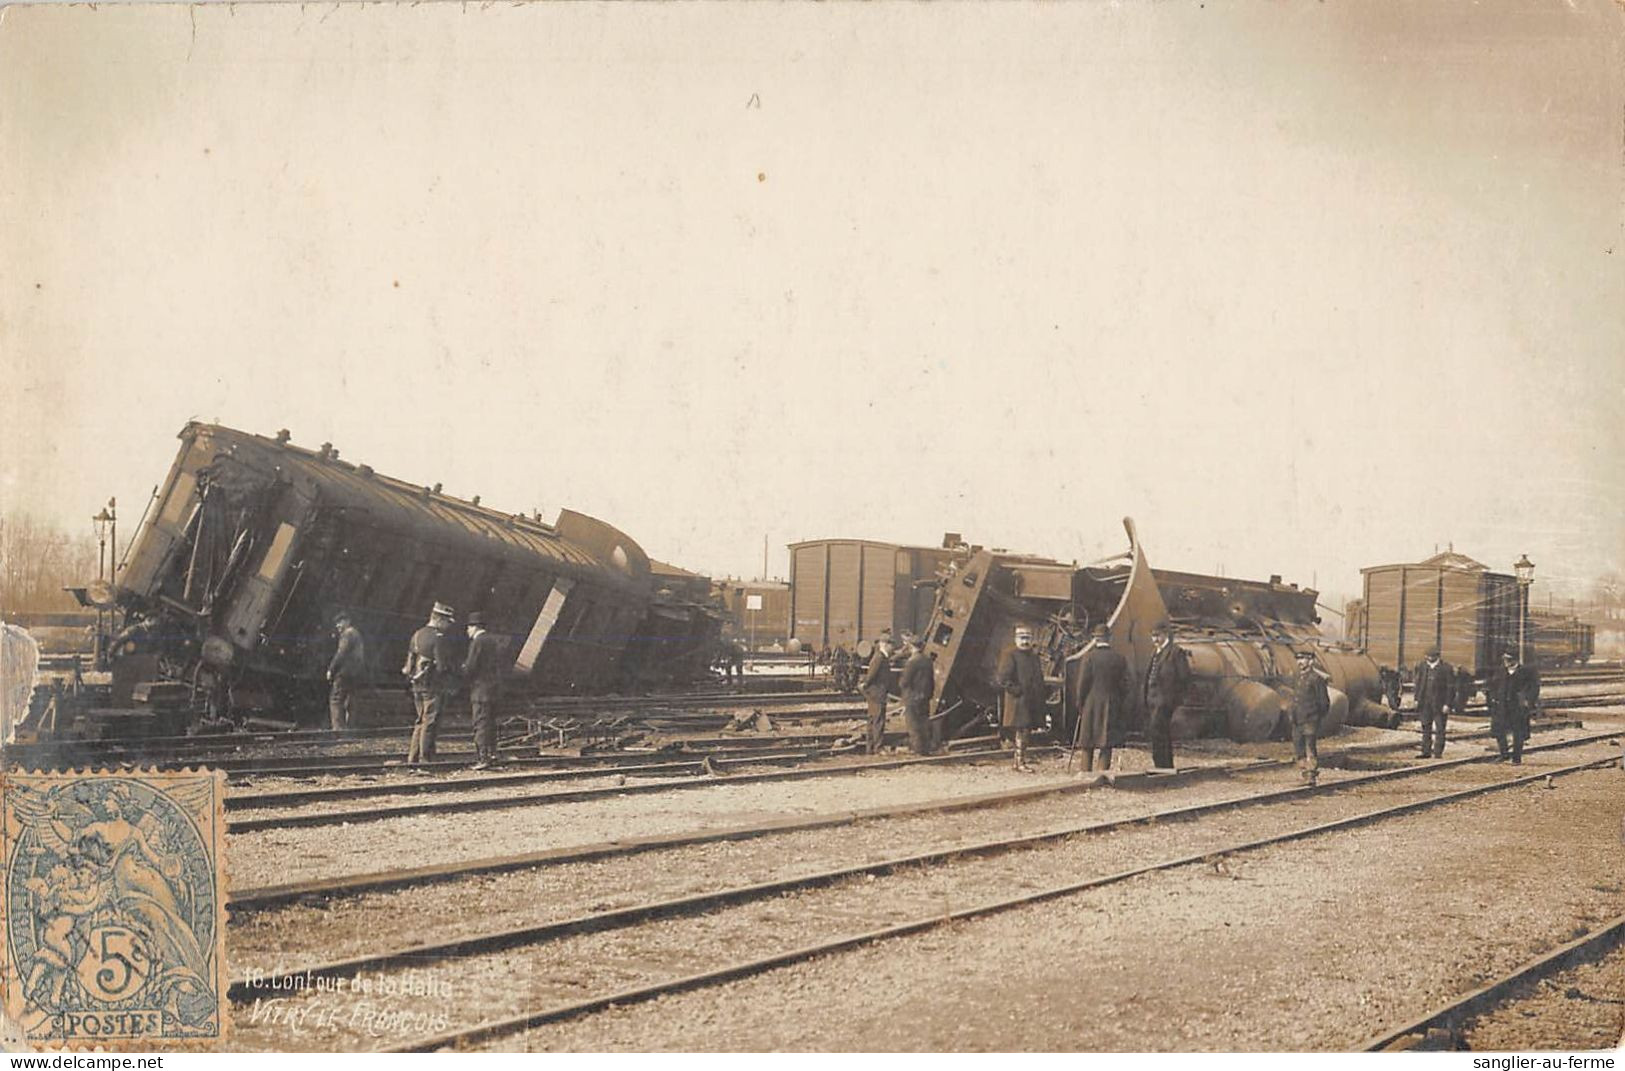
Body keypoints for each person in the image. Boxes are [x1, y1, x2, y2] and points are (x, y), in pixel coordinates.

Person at [402, 601, 457, 768]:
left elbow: (409, 662)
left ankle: (413, 758)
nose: (447, 626)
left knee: (420, 720)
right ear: (440, 619)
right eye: (447, 622)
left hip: (416, 685)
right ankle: (425, 760)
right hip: (433, 686)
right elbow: (442, 666)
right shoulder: (438, 637)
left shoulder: (417, 634)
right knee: (430, 721)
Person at [1071, 624, 1129, 774]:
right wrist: (1118, 700)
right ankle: (1102, 773)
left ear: (1095, 639)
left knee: (1087, 741)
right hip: (1111, 703)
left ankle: (1085, 772)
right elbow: (1126, 684)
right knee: (1106, 742)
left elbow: (1082, 684)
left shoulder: (1089, 658)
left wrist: (1080, 703)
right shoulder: (1119, 658)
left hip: (1091, 703)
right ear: (1110, 638)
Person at [996, 626, 1047, 772]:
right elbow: (1002, 678)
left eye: (1028, 638)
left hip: (1031, 700)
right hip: (1018, 701)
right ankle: (1020, 763)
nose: (1025, 641)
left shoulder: (1033, 656)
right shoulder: (1010, 655)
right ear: (1016, 638)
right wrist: (1015, 690)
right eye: (1022, 638)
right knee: (1022, 731)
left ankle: (1018, 762)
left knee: (1026, 731)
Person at [1143, 622, 1192, 770]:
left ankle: (1164, 765)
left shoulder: (1175, 653)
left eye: (1157, 636)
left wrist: (1173, 699)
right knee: (1156, 733)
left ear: (1166, 635)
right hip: (1152, 699)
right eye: (1153, 636)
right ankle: (1160, 765)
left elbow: (1185, 677)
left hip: (1165, 701)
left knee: (1160, 732)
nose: (1155, 639)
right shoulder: (1155, 653)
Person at [461, 611, 504, 769]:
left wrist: (462, 671)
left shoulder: (477, 641)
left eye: (468, 627)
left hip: (480, 690)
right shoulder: (493, 641)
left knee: (480, 723)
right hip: (494, 689)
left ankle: (482, 758)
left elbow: (471, 666)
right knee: (491, 723)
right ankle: (492, 754)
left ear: (473, 627)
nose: (467, 631)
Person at [1489, 648, 1540, 764]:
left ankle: (1516, 757)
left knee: (1518, 732)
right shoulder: (1500, 671)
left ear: (1515, 660)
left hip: (1518, 707)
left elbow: (1534, 688)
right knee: (1499, 731)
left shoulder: (1525, 672)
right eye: (1505, 659)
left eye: (1509, 660)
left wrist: (1529, 701)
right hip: (1501, 706)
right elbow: (1492, 686)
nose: (1506, 662)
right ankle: (1504, 754)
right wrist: (1492, 698)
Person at [1288, 648, 1331, 786]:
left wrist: (1316, 717)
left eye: (1303, 659)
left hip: (1310, 719)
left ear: (1311, 661)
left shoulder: (1316, 679)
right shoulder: (1297, 677)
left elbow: (1324, 702)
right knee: (1298, 748)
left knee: (1309, 747)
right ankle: (1304, 772)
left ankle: (1311, 775)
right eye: (1298, 659)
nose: (1300, 662)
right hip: (1297, 719)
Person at [326, 612, 366, 731]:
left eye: (340, 622)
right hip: (355, 672)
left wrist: (331, 669)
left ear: (347, 621)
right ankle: (350, 728)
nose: (337, 625)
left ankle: (338, 729)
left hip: (344, 672)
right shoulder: (357, 634)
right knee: (350, 699)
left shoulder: (347, 634)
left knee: (335, 699)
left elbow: (341, 654)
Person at [1413, 647, 1454, 759]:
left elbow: (1450, 688)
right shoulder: (1422, 666)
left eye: (1430, 657)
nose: (1428, 658)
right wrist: (1416, 699)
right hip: (1425, 703)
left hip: (1440, 704)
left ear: (1436, 657)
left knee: (1440, 728)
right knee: (1426, 727)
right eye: (1427, 656)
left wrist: (1447, 704)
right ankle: (1425, 751)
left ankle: (1437, 752)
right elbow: (1419, 684)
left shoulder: (1446, 668)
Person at [899, 637, 937, 755]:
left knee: (913, 724)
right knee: (924, 722)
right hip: (925, 696)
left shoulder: (912, 662)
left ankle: (918, 750)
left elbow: (904, 682)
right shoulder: (927, 660)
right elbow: (932, 680)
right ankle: (926, 748)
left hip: (912, 697)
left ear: (912, 647)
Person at [860, 634, 896, 754]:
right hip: (877, 693)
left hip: (875, 693)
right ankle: (878, 747)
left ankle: (870, 748)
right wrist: (865, 684)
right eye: (891, 645)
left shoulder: (880, 657)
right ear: (885, 644)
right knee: (878, 720)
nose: (893, 648)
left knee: (872, 720)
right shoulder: (880, 658)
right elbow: (872, 674)